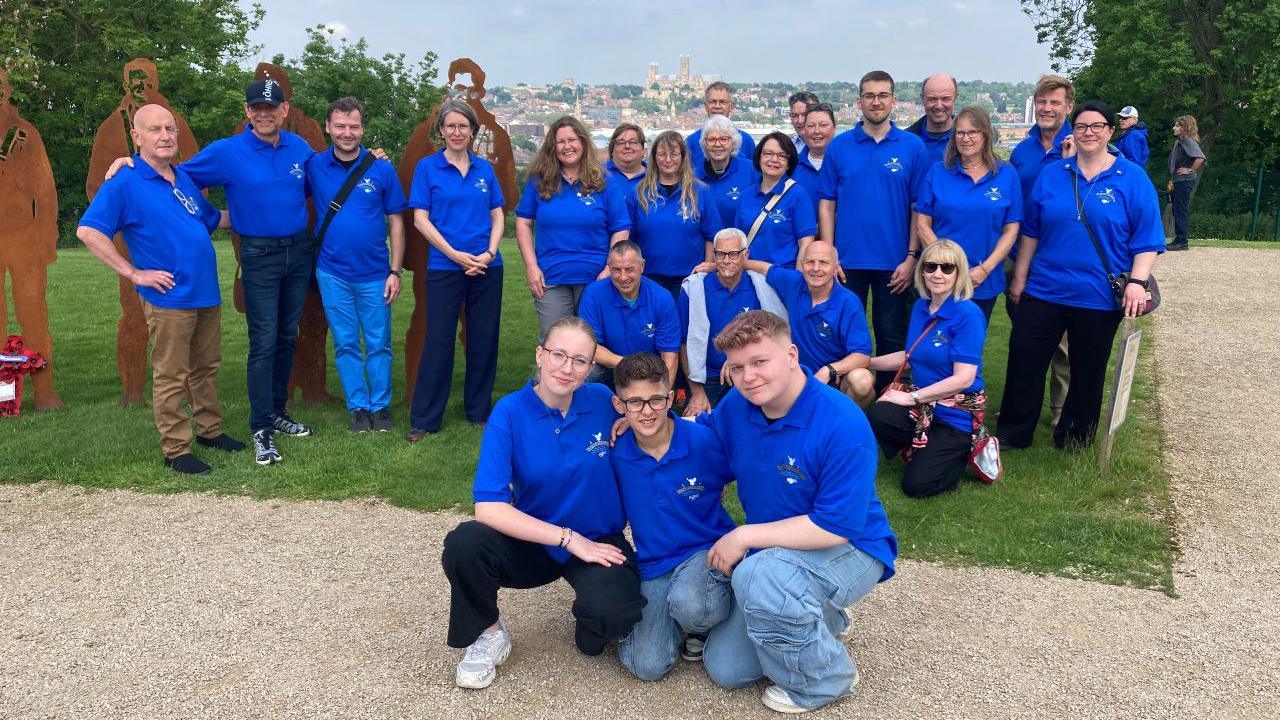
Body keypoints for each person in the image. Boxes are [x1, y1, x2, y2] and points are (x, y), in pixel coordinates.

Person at [695, 310, 897, 714]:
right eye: (736, 367)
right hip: (780, 550)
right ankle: (823, 620)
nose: (748, 376)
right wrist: (645, 424)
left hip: (852, 546)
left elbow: (834, 526)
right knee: (726, 669)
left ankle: (828, 680)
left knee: (758, 574)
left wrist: (745, 536)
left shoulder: (841, 423)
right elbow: (703, 438)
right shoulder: (738, 404)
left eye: (759, 362)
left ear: (790, 355)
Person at [440, 317, 645, 689]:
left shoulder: (602, 401)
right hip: (537, 541)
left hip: (598, 539)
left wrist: (634, 421)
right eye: (558, 355)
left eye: (580, 360)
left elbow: (657, 416)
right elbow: (488, 508)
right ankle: (490, 633)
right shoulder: (509, 412)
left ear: (590, 367)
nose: (567, 368)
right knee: (464, 543)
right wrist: (568, 538)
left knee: (612, 618)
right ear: (540, 354)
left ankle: (591, 610)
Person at [76, 104, 242, 474]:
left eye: (170, 129)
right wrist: (133, 273)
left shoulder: (182, 177)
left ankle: (210, 430)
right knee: (172, 373)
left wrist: (266, 214)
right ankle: (176, 449)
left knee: (206, 366)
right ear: (137, 137)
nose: (165, 136)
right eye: (155, 129)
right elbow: (87, 231)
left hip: (204, 292)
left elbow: (214, 220)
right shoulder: (124, 182)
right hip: (170, 297)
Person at [999, 101, 1163, 451]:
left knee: (1088, 370)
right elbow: (1031, 231)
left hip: (1097, 296)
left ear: (1110, 131)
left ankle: (1074, 436)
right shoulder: (1053, 174)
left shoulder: (1131, 178)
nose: (1089, 132)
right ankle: (1014, 432)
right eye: (1082, 126)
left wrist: (1137, 281)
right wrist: (1019, 278)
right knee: (1024, 361)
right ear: (1073, 130)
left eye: (1097, 126)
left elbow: (1147, 237)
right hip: (1043, 289)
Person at [176, 79, 319, 464]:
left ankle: (276, 410)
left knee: (288, 334)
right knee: (264, 339)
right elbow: (179, 176)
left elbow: (327, 179)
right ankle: (261, 427)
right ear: (247, 111)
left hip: (298, 251)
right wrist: (209, 216)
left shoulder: (299, 148)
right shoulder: (228, 151)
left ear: (284, 110)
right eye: (257, 107)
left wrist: (370, 159)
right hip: (259, 255)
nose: (264, 113)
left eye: (271, 107)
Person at [610, 352, 736, 680]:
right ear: (619, 405)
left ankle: (708, 621)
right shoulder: (615, 454)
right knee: (647, 667)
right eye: (634, 402)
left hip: (705, 550)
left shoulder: (703, 441)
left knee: (691, 604)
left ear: (670, 397)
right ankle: (670, 624)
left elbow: (749, 466)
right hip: (655, 564)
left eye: (655, 399)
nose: (647, 411)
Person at [817, 70, 928, 389]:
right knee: (839, 332)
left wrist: (910, 257)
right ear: (859, 101)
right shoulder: (839, 147)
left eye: (882, 95)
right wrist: (829, 254)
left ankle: (887, 402)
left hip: (894, 263)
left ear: (893, 100)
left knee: (890, 334)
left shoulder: (912, 146)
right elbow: (827, 202)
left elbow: (917, 207)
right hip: (846, 261)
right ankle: (839, 399)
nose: (876, 101)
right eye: (869, 95)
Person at [306, 97, 407, 434]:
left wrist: (395, 270)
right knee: (346, 342)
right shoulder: (314, 166)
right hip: (332, 271)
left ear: (363, 128)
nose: (347, 133)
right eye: (340, 126)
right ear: (328, 127)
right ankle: (358, 408)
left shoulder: (381, 168)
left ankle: (380, 407)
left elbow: (396, 222)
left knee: (379, 343)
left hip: (376, 272)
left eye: (354, 126)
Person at [406, 100, 506, 441]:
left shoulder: (484, 170)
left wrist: (489, 253)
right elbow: (420, 219)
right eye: (450, 126)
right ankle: (425, 418)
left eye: (463, 126)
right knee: (438, 341)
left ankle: (479, 411)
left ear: (473, 131)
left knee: (483, 338)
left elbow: (498, 215)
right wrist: (455, 255)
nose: (457, 132)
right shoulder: (427, 168)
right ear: (441, 130)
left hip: (487, 267)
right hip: (445, 266)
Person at [866, 240, 988, 498]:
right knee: (880, 414)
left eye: (947, 268)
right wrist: (866, 362)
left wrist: (910, 397)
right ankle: (925, 445)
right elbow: (911, 355)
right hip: (924, 403)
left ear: (959, 273)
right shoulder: (922, 307)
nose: (938, 274)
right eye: (931, 267)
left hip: (955, 414)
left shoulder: (968, 315)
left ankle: (959, 453)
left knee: (916, 486)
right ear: (922, 271)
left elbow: (964, 378)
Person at [515, 116, 631, 339]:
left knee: (593, 343)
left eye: (572, 140)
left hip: (595, 277)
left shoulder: (604, 181)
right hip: (550, 277)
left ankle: (593, 377)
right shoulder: (539, 181)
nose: (567, 146)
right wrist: (531, 266)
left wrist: (610, 268)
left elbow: (621, 228)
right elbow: (523, 222)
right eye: (560, 142)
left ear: (583, 142)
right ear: (552, 147)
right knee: (555, 343)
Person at [1008, 74, 1077, 428]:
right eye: (1042, 102)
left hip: (1060, 257)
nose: (1047, 108)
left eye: (1055, 103)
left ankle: (1061, 409)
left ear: (1068, 107)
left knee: (1062, 343)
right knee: (1025, 339)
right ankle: (1023, 407)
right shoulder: (1022, 152)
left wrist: (1073, 160)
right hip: (1021, 255)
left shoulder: (1083, 147)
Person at [915, 106, 1022, 321]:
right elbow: (922, 224)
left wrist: (985, 269)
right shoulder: (938, 171)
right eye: (960, 132)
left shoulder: (1006, 174)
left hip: (982, 281)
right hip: (940, 278)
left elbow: (1011, 229)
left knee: (970, 348)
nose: (966, 138)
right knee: (936, 347)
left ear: (985, 134)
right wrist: (946, 266)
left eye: (972, 132)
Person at [738, 242, 875, 406]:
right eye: (810, 262)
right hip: (798, 376)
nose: (816, 268)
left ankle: (846, 422)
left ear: (835, 267)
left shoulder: (848, 302)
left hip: (836, 379)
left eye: (824, 262)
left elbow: (863, 356)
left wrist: (829, 370)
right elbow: (764, 268)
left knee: (862, 380)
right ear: (802, 264)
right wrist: (727, 264)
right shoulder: (793, 283)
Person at [0, 67, 63, 411]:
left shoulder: (26, 134)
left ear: (8, 90)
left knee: (34, 315)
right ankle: (4, 397)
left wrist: (46, 238)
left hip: (25, 242)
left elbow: (46, 192)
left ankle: (45, 392)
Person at [678, 228, 787, 415]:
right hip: (708, 378)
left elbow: (774, 337)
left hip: (753, 372)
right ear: (713, 255)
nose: (726, 261)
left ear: (745, 255)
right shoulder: (694, 288)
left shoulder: (761, 287)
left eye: (733, 254)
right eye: (720, 254)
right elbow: (684, 343)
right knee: (698, 430)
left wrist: (738, 359)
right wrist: (697, 392)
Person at [626, 130, 721, 296]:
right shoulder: (639, 193)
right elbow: (629, 238)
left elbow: (711, 236)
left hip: (690, 278)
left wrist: (707, 269)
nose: (668, 160)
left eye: (674, 154)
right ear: (654, 157)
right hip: (648, 279)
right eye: (662, 154)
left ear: (683, 157)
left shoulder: (700, 192)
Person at [577, 241, 681, 386]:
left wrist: (661, 397)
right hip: (610, 368)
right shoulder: (593, 294)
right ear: (609, 268)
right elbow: (590, 346)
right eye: (616, 270)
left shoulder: (662, 298)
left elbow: (669, 356)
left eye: (629, 269)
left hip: (650, 371)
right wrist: (629, 365)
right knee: (585, 370)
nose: (623, 277)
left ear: (642, 266)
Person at [733, 131, 816, 269]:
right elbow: (738, 240)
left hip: (782, 278)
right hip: (748, 276)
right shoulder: (746, 196)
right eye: (768, 153)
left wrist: (796, 280)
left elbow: (805, 244)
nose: (774, 159)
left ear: (789, 163)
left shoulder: (798, 195)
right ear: (759, 157)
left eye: (782, 155)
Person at [694, 115, 760, 238]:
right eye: (711, 139)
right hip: (706, 251)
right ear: (704, 144)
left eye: (723, 139)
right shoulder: (693, 177)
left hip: (742, 249)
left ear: (733, 143)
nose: (717, 144)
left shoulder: (751, 170)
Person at [686, 81, 756, 168]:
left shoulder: (746, 140)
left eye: (723, 102)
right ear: (705, 106)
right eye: (712, 102)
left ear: (731, 107)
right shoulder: (691, 142)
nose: (717, 106)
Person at [792, 102, 836, 223]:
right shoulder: (790, 167)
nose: (817, 131)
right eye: (811, 126)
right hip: (800, 239)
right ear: (804, 130)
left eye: (823, 125)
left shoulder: (845, 166)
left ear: (834, 128)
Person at [1167, 114, 1205, 252]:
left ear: (1185, 128)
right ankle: (1179, 239)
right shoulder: (1180, 141)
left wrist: (1190, 170)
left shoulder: (1187, 141)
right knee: (1177, 210)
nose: (1174, 128)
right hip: (1178, 180)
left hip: (1184, 181)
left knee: (1180, 210)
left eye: (1177, 126)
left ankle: (1182, 241)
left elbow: (1200, 158)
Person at [904, 73, 958, 166]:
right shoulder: (906, 142)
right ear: (922, 99)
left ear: (955, 98)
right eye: (932, 99)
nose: (939, 106)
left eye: (946, 99)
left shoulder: (970, 141)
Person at [606, 123, 647, 191]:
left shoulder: (656, 175)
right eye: (621, 142)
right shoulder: (597, 174)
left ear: (643, 149)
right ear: (612, 150)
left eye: (633, 142)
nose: (627, 146)